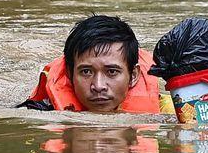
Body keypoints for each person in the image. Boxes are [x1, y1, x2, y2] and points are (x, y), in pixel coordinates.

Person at [18, 15, 172, 113]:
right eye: (86, 72)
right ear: (70, 75)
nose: (98, 86)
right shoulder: (40, 111)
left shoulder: (169, 112)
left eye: (111, 71)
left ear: (133, 76)